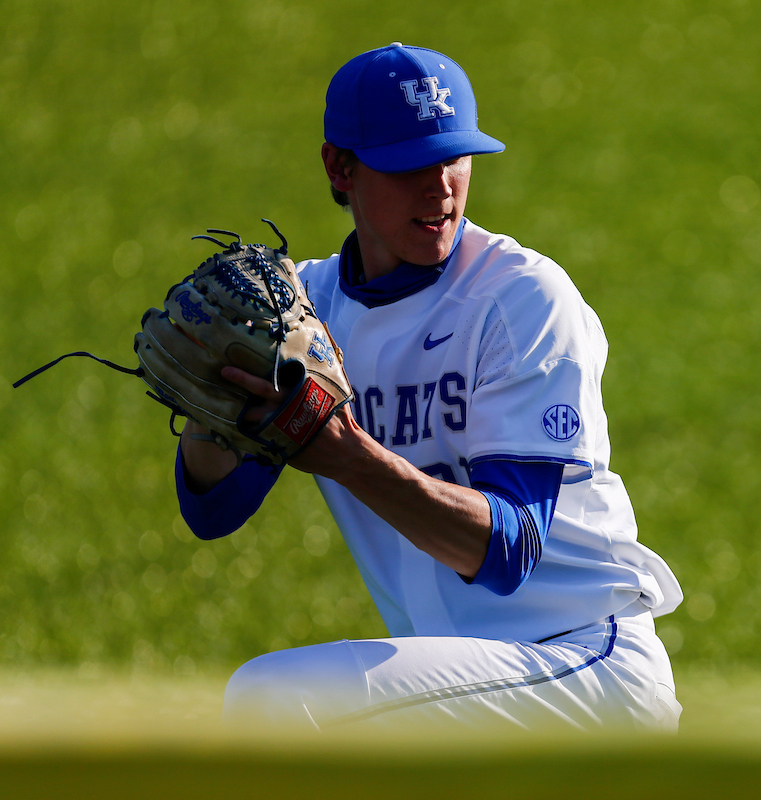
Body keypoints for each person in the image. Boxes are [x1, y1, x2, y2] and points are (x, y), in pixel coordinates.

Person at [175, 43, 684, 731]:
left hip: (584, 666)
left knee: (277, 696)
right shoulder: (301, 315)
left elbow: (508, 549)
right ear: (340, 167)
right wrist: (212, 404)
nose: (440, 187)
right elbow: (214, 511)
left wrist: (346, 455)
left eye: (455, 158)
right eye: (410, 164)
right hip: (463, 685)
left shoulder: (519, 298)